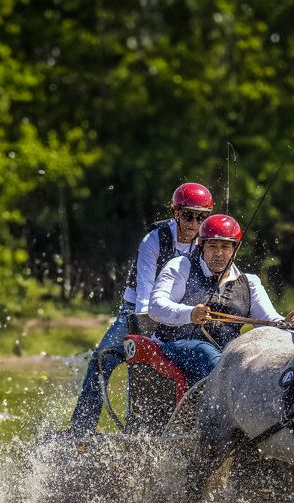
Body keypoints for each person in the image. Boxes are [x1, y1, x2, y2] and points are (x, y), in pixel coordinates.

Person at [65, 183, 214, 435]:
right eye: (188, 215)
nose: (194, 223)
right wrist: (147, 339)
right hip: (137, 312)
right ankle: (81, 429)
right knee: (102, 360)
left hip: (182, 312)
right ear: (175, 212)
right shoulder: (154, 240)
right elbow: (145, 295)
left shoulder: (207, 243)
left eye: (201, 217)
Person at [148, 214, 294, 384]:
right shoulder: (181, 266)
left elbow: (266, 320)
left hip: (225, 354)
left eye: (226, 247)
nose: (219, 253)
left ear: (236, 249)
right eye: (213, 246)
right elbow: (155, 307)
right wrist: (190, 313)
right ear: (202, 245)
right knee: (204, 352)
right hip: (170, 348)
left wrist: (284, 323)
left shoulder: (250, 282)